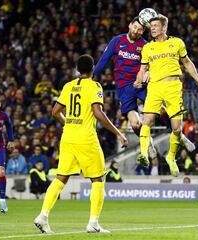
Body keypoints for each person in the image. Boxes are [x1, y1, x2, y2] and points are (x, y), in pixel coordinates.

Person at [34, 54, 128, 234]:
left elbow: (55, 112)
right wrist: (118, 133)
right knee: (98, 179)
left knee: (61, 177)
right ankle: (93, 222)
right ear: (93, 69)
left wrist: (69, 123)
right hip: (86, 138)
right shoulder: (94, 86)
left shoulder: (69, 86)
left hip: (68, 137)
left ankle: (43, 216)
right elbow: (98, 112)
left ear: (78, 69)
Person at [94, 16, 194, 159]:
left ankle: (179, 133)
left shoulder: (146, 45)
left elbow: (154, 63)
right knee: (135, 124)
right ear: (129, 25)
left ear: (143, 32)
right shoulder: (117, 41)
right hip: (124, 89)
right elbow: (104, 60)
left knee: (161, 109)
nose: (136, 31)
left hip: (141, 85)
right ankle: (149, 143)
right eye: (135, 27)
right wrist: (91, 76)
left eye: (140, 29)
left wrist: (148, 71)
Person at [134, 14, 198, 176]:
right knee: (146, 121)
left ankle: (171, 157)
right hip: (155, 87)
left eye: (155, 25)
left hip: (174, 88)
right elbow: (142, 69)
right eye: (151, 26)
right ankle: (143, 154)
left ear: (164, 27)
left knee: (176, 129)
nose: (152, 28)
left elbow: (188, 63)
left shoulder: (176, 43)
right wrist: (139, 80)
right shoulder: (148, 48)